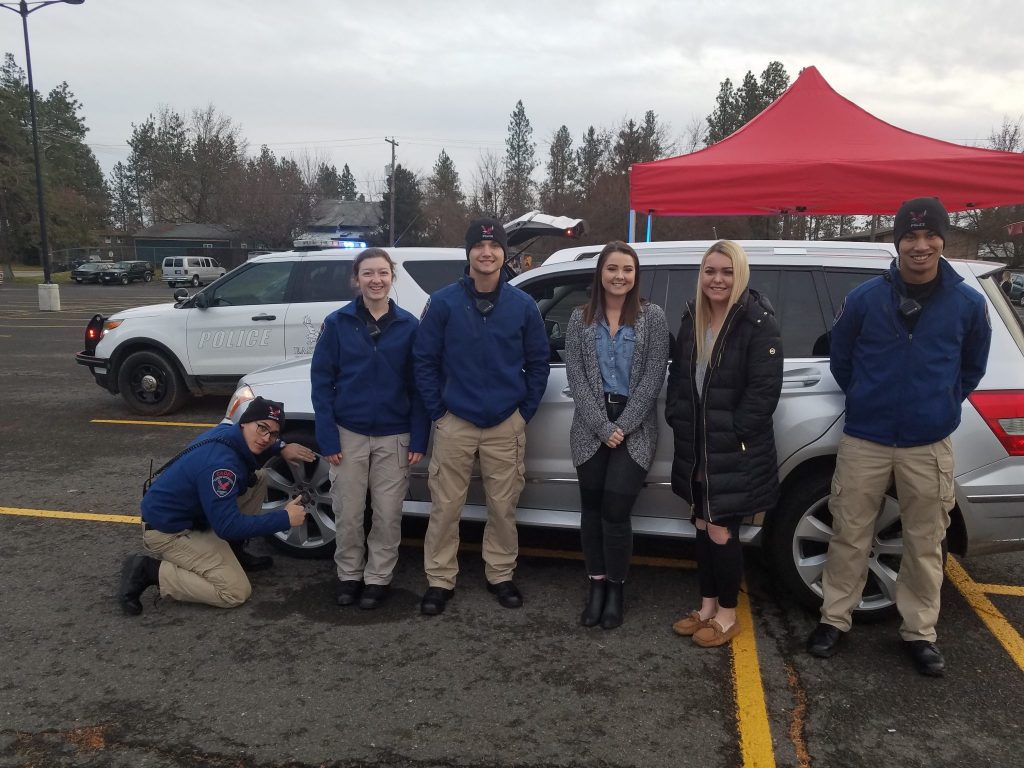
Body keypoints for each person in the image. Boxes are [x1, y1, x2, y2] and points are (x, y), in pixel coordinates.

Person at [806, 197, 991, 676]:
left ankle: (919, 633)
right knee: (849, 532)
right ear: (897, 242)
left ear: (942, 240)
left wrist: (941, 404)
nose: (920, 245)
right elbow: (842, 358)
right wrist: (866, 396)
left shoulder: (968, 304)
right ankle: (834, 619)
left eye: (930, 236)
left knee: (925, 542)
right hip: (865, 438)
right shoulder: (865, 299)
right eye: (910, 236)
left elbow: (971, 368)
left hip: (928, 443)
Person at [413, 217, 550, 615]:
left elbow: (538, 363)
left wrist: (523, 413)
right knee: (445, 507)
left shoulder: (523, 306)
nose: (487, 253)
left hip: (505, 423)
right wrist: (439, 412)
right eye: (479, 246)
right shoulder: (443, 303)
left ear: (504, 254)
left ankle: (501, 574)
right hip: (455, 421)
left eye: (494, 247)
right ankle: (440, 579)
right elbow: (424, 361)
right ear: (469, 252)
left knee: (503, 508)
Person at [665, 240, 783, 648]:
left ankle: (728, 616)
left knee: (720, 530)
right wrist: (677, 415)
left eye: (727, 271)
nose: (718, 279)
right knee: (701, 523)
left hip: (731, 449)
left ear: (741, 274)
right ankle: (707, 607)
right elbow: (679, 377)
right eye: (711, 271)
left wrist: (732, 433)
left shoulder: (757, 322)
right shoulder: (693, 318)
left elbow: (763, 393)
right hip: (698, 446)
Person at [311, 248, 429, 610]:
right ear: (356, 279)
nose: (376, 280)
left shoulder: (409, 326)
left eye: (382, 273)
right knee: (347, 512)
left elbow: (419, 387)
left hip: (395, 435)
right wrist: (327, 436)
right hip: (349, 433)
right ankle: (349, 574)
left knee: (388, 513)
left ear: (392, 277)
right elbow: (321, 383)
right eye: (368, 273)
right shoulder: (337, 323)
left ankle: (378, 577)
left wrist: (419, 436)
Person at [118, 397, 312, 614]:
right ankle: (148, 571)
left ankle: (233, 552)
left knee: (259, 477)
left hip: (191, 514)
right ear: (244, 423)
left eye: (273, 433)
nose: (266, 437)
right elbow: (227, 527)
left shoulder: (228, 432)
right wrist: (284, 518)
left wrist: (281, 447)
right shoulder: (221, 468)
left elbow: (262, 440)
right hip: (169, 532)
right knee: (235, 591)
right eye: (262, 428)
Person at [564, 241, 669, 629]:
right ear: (600, 273)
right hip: (589, 428)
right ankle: (596, 584)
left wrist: (623, 425)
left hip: (635, 428)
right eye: (612, 268)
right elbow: (576, 379)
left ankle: (616, 588)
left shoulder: (652, 317)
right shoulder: (579, 318)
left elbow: (654, 375)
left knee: (615, 511)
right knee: (591, 510)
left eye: (627, 269)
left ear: (636, 275)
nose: (619, 276)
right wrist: (603, 427)